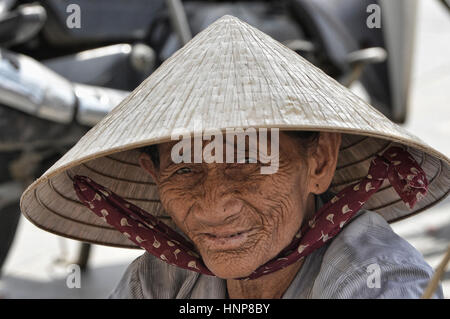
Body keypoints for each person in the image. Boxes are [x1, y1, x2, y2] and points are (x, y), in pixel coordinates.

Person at [20, 16, 449, 299]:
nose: (213, 206)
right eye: (185, 170)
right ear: (153, 175)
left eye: (247, 164)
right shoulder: (161, 279)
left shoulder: (375, 282)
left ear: (318, 162)